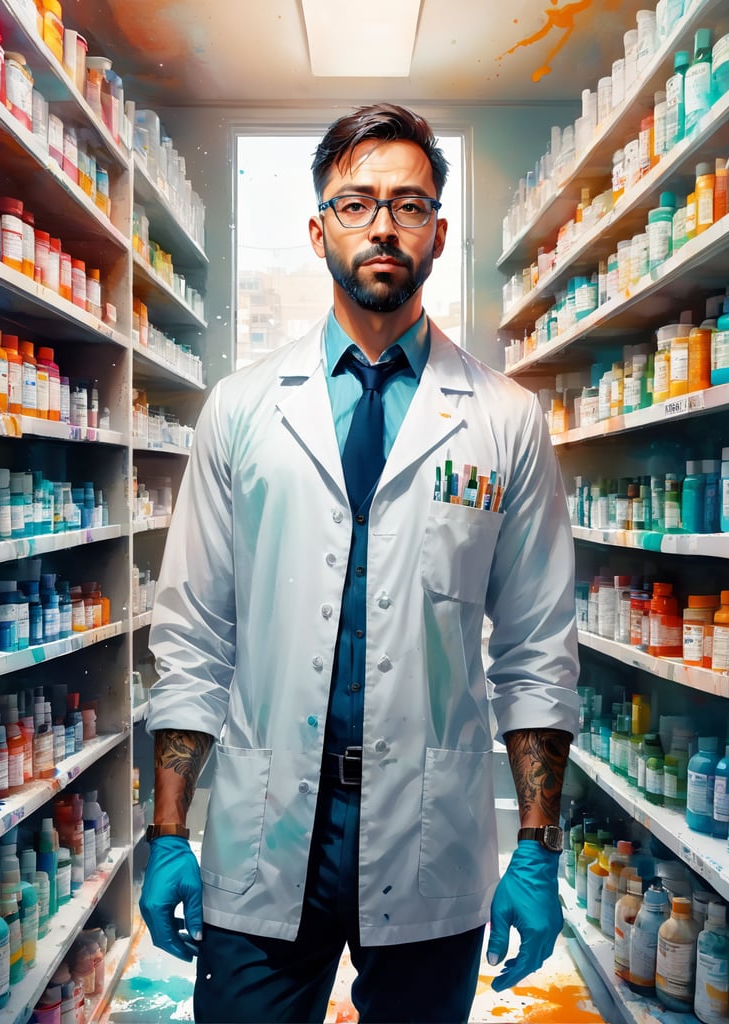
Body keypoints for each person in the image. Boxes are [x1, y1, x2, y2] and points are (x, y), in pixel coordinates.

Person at [140, 103, 580, 1024]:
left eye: (408, 204)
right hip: (267, 828)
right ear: (317, 229)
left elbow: (535, 646)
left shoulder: (502, 420)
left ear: (438, 232)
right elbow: (193, 635)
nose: (382, 224)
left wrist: (537, 851)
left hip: (429, 827)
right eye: (355, 203)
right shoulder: (243, 409)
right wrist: (167, 830)